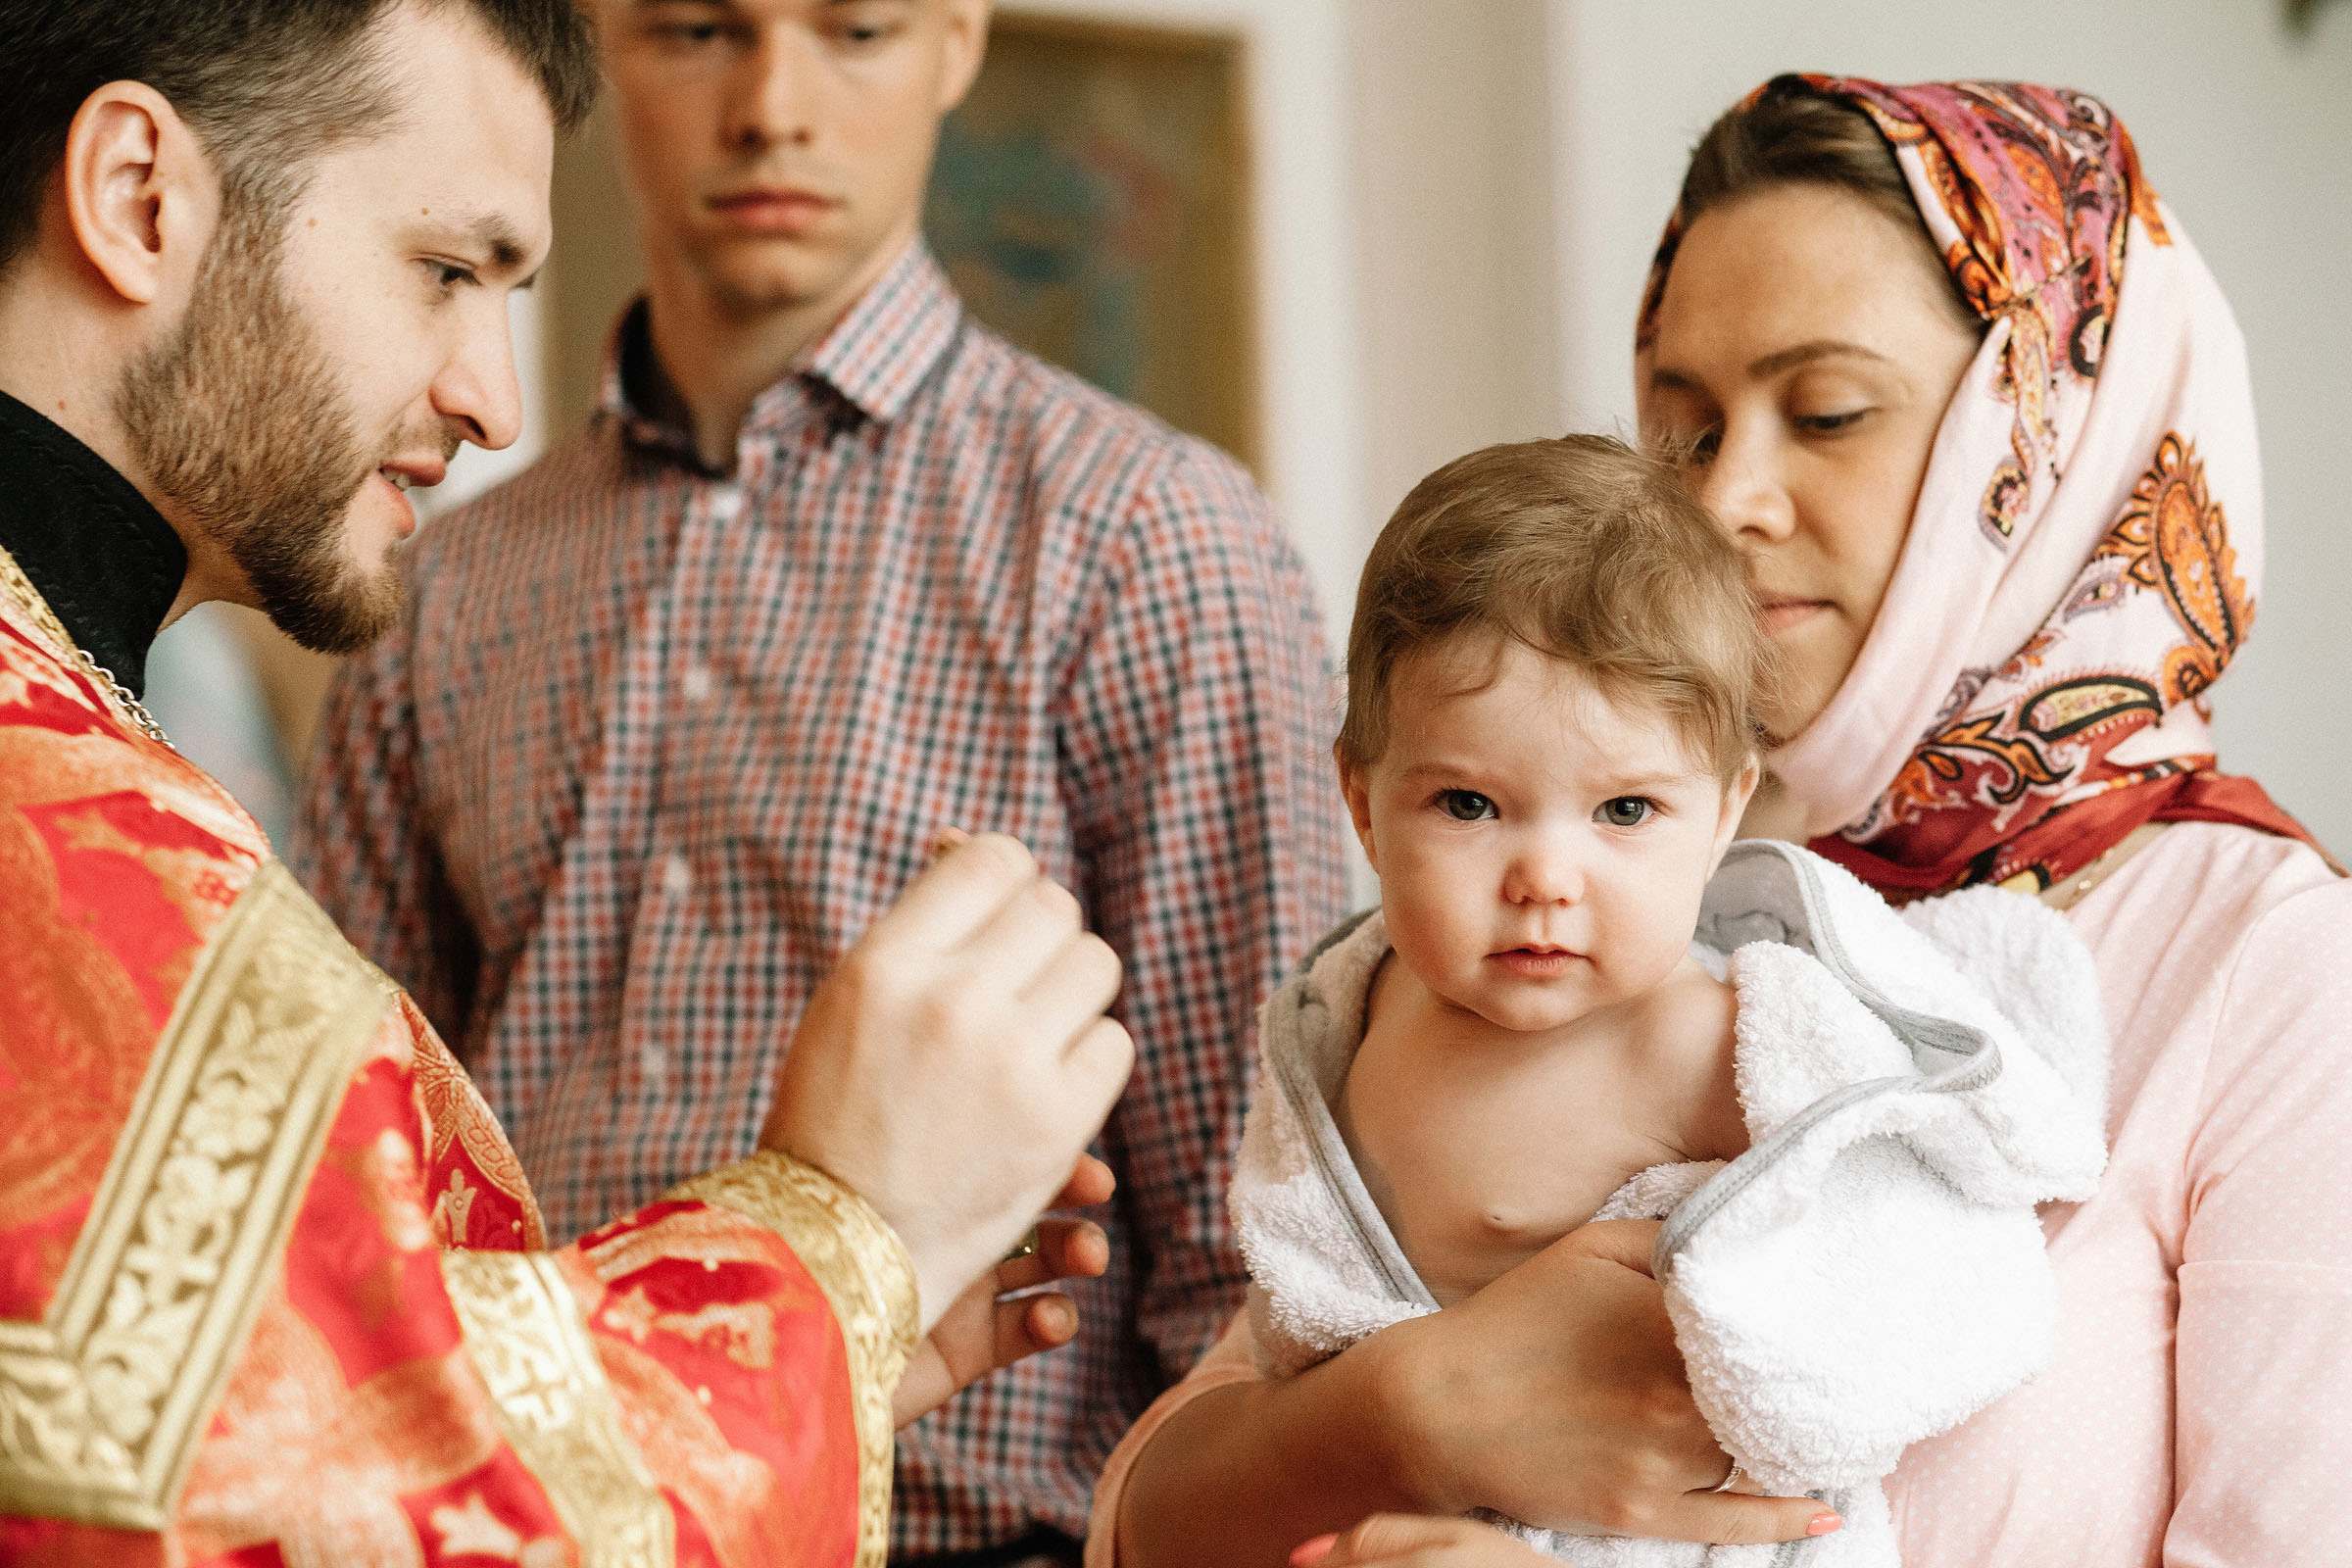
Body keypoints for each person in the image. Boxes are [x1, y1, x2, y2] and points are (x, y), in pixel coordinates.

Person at [1095, 74, 2352, 1568]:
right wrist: (1403, 1416)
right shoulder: (1600, 887)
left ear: (2053, 438)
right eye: (1682, 433)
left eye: (1824, 413)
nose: (1728, 499)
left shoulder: (2268, 965)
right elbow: (1141, 1524)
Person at [0, 1, 1138, 1560]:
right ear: (141, 196)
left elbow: (295, 1364)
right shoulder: (59, 826)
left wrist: (816, 1358)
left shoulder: (79, 750)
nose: (494, 403)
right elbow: (293, 1506)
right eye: (444, 272)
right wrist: (830, 1241)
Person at [291, 1, 1351, 1559]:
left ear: (958, 43)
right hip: (534, 1522)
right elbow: (356, 1190)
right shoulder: (436, 589)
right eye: (699, 30)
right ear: (603, 41)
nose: (772, 105)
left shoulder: (1149, 542)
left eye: (853, 30)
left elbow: (1258, 1250)